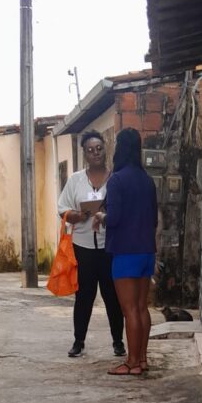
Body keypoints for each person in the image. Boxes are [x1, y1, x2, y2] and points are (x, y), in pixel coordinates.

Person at [57, 130, 125, 358]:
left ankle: (118, 342)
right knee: (84, 296)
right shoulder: (75, 180)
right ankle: (79, 341)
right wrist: (77, 215)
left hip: (109, 247)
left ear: (105, 150)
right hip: (83, 247)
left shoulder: (115, 179)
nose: (95, 153)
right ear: (84, 154)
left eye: (99, 148)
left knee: (112, 296)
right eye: (90, 150)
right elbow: (62, 209)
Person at [99, 128, 158, 376]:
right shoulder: (147, 181)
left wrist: (101, 217)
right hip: (147, 251)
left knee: (129, 309)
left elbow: (114, 219)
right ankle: (142, 358)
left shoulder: (117, 180)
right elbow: (154, 219)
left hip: (125, 252)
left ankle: (131, 362)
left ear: (119, 148)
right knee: (142, 307)